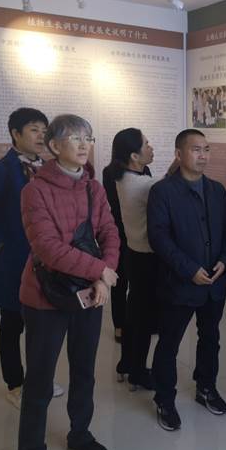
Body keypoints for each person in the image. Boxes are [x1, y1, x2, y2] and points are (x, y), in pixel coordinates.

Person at [18, 114, 120, 450]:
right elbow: (47, 248)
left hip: (91, 293)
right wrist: (100, 271)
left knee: (84, 371)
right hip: (46, 297)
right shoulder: (35, 190)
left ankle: (80, 435)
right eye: (75, 138)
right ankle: (31, 447)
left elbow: (109, 232)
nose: (83, 144)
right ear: (54, 145)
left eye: (88, 138)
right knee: (39, 379)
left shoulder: (94, 187)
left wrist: (102, 277)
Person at [0, 107, 64, 409]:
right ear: (15, 134)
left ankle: (39, 379)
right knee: (11, 324)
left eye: (44, 130)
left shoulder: (49, 168)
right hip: (13, 262)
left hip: (46, 261)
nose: (41, 136)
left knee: (42, 325)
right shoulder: (1, 169)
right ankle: (15, 384)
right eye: (34, 129)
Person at [147, 129, 226, 432]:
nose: (203, 155)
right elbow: (159, 238)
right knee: (169, 343)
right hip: (179, 284)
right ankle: (164, 399)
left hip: (214, 283)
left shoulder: (216, 190)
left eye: (206, 149)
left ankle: (206, 387)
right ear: (179, 154)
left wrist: (225, 261)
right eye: (196, 149)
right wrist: (189, 270)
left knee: (210, 338)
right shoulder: (163, 191)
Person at [111, 128, 168, 390]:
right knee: (144, 319)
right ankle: (138, 372)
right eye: (146, 144)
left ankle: (126, 363)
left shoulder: (123, 177)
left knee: (134, 313)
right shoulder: (143, 184)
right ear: (134, 155)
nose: (151, 147)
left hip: (133, 254)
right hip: (147, 259)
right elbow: (168, 187)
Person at [102, 135, 130, 348]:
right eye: (145, 144)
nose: (149, 147)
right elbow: (116, 202)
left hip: (139, 232)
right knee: (120, 281)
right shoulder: (110, 172)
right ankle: (119, 325)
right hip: (120, 230)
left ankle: (138, 321)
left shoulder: (145, 170)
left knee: (139, 282)